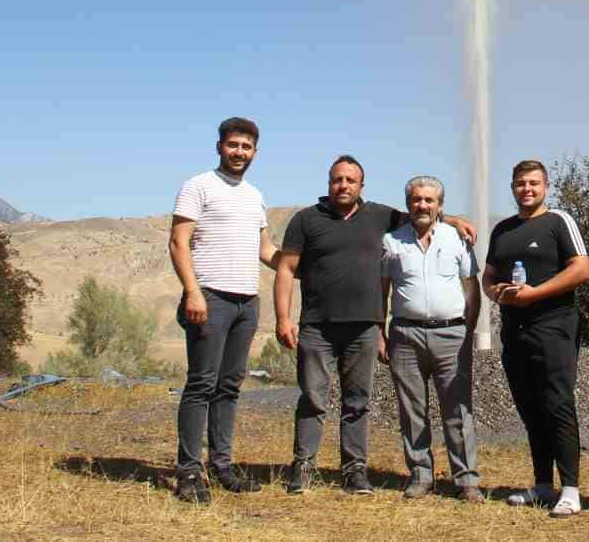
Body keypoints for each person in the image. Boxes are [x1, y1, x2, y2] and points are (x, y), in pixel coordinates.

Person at [274, 155, 476, 495]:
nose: (344, 185)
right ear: (329, 182)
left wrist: (453, 219)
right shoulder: (306, 220)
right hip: (317, 326)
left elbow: (424, 215)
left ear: (361, 186)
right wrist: (282, 318)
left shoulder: (381, 216)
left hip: (366, 328)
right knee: (313, 398)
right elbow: (285, 269)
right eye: (338, 179)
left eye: (351, 180)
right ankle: (303, 466)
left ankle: (355, 471)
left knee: (358, 401)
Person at [168, 116, 283, 504]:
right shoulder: (198, 186)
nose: (239, 152)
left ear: (255, 152)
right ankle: (188, 471)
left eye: (246, 147)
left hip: (246, 302)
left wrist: (299, 262)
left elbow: (265, 250)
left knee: (230, 386)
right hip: (210, 297)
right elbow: (178, 243)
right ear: (220, 146)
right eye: (233, 145)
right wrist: (193, 292)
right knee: (201, 383)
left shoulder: (255, 195)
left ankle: (222, 465)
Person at [483, 159, 589, 518]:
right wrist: (497, 292)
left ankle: (571, 489)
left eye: (533, 183)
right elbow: (488, 277)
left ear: (545, 186)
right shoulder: (502, 230)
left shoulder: (558, 221)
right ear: (512, 187)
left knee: (557, 404)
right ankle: (543, 484)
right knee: (530, 407)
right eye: (520, 183)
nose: (526, 189)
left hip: (553, 325)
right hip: (514, 329)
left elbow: (581, 268)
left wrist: (535, 294)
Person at [378, 175, 484, 502]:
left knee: (458, 408)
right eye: (416, 199)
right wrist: (381, 333)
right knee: (412, 410)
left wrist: (469, 329)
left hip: (452, 333)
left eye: (429, 200)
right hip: (405, 334)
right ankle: (421, 475)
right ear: (408, 203)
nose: (422, 205)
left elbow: (471, 288)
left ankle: (466, 479)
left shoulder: (457, 239)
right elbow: (381, 291)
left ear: (439, 205)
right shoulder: (391, 242)